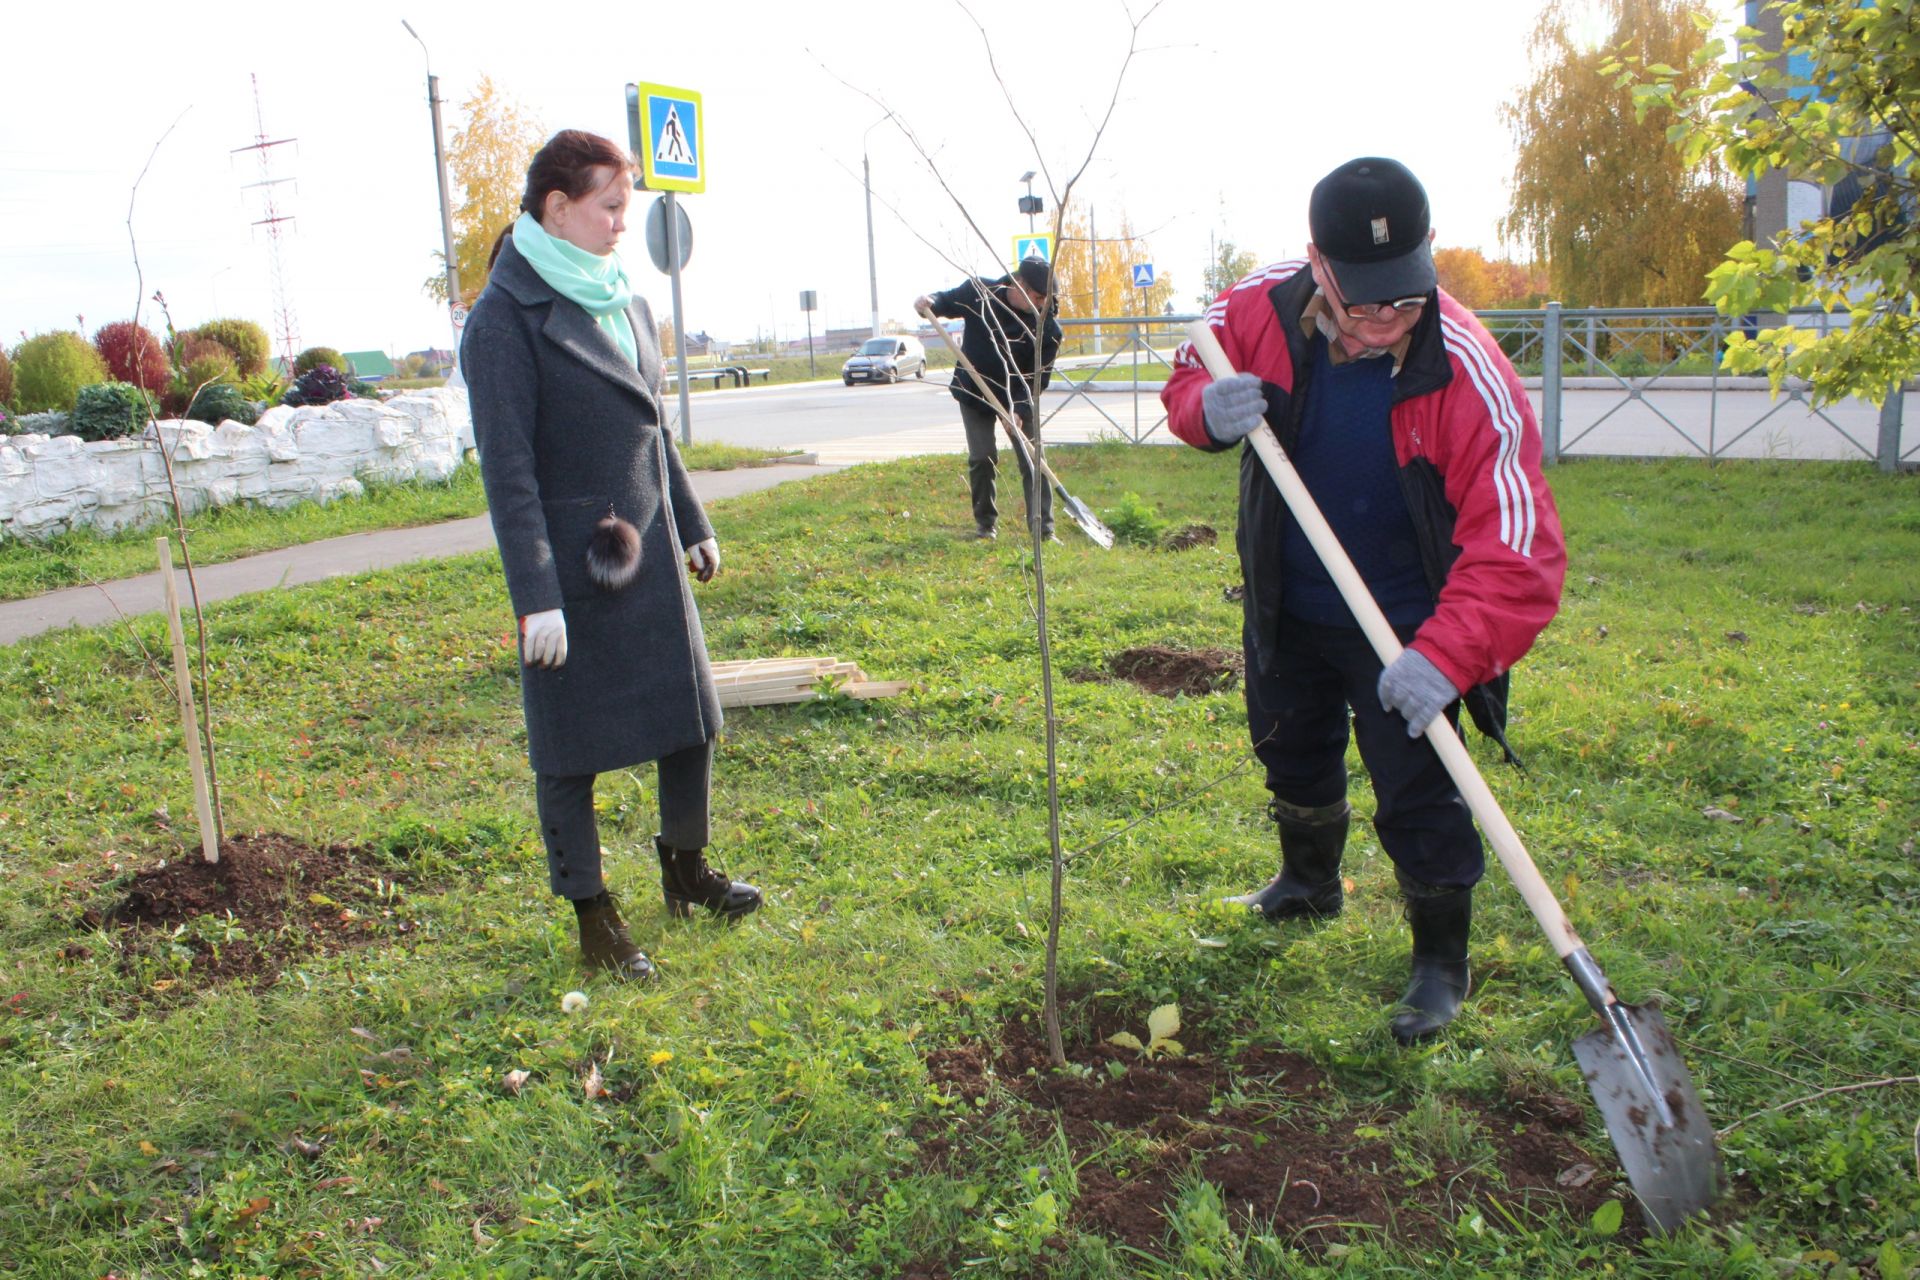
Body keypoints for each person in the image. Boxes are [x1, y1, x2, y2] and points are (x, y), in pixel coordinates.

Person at [1162, 157, 1566, 1042]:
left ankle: (1438, 962)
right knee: (1290, 747)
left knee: (1421, 792)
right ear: (1319, 265)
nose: (1386, 321)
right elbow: (1189, 379)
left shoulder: (1469, 372)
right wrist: (1205, 409)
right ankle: (1308, 885)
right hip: (1289, 596)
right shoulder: (1256, 308)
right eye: (1364, 302)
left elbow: (1519, 551)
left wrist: (1445, 657)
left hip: (1409, 626)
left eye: (1406, 298)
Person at [461, 129, 761, 982]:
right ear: (557, 210)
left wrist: (694, 520)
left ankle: (685, 872)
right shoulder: (502, 320)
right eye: (610, 208)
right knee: (569, 749)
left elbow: (651, 426)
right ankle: (593, 915)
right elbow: (508, 473)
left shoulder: (625, 300)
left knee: (691, 720)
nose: (622, 225)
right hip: (572, 571)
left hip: (652, 551)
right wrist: (536, 595)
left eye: (626, 208)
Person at [914, 257, 1063, 540]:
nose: (1042, 304)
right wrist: (927, 302)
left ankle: (1044, 531)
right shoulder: (979, 293)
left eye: (1046, 299)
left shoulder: (1049, 330)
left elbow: (1036, 379)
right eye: (1037, 297)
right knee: (982, 457)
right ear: (1018, 283)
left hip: (1018, 396)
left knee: (1033, 460)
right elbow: (944, 302)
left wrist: (1017, 410)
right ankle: (985, 526)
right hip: (975, 389)